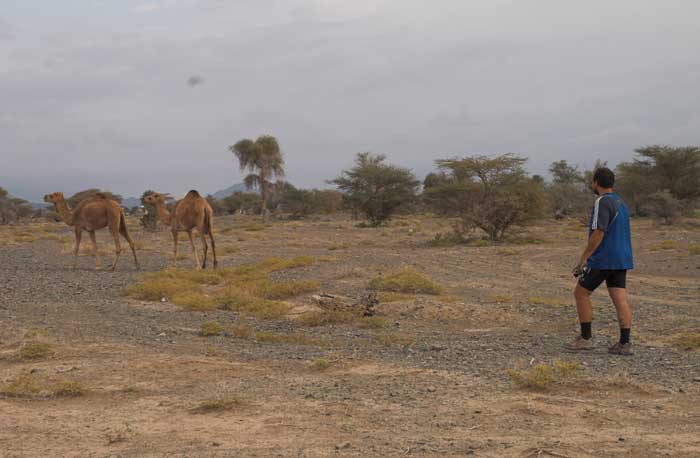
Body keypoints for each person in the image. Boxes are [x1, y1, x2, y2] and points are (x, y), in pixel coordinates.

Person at [566, 167, 634, 355]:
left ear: (596, 182)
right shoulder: (621, 202)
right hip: (622, 259)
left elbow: (599, 233)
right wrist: (590, 222)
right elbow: (611, 226)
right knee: (620, 299)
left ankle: (586, 339)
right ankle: (624, 343)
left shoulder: (601, 201)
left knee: (581, 293)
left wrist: (584, 259)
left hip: (603, 259)